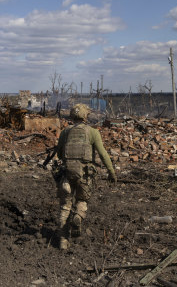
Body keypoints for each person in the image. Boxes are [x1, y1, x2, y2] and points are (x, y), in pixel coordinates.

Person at [53, 103, 117, 250]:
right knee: (82, 200)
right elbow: (103, 153)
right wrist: (111, 172)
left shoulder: (65, 132)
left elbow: (59, 154)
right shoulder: (93, 132)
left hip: (67, 174)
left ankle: (63, 241)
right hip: (85, 175)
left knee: (64, 206)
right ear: (86, 116)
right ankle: (78, 216)